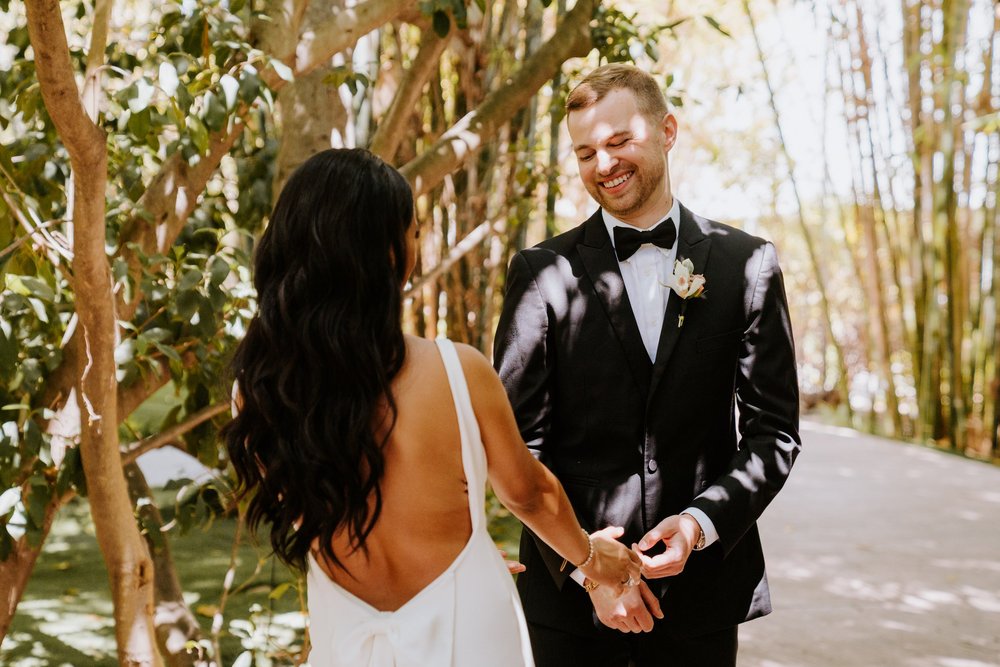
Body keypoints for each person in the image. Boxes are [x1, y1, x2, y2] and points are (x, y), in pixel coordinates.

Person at [223, 148, 641, 667]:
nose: (417, 244)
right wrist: (589, 557)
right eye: (414, 231)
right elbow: (530, 494)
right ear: (384, 252)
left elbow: (329, 511)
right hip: (469, 634)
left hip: (345, 637)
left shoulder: (256, 391)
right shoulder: (456, 371)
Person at [493, 64, 801, 666]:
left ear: (667, 130)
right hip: (570, 608)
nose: (602, 165)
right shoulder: (540, 273)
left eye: (618, 142)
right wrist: (590, 569)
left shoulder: (749, 265)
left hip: (702, 602)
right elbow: (514, 449)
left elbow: (774, 433)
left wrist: (698, 524)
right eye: (585, 152)